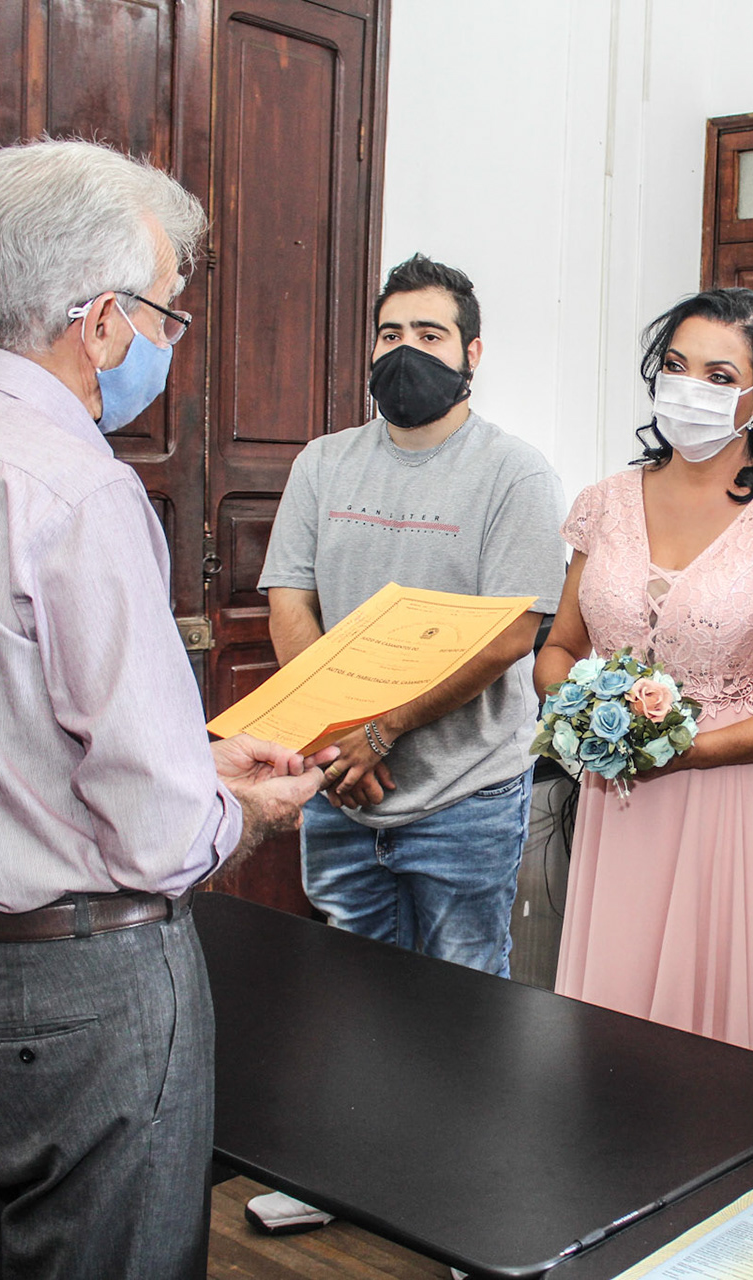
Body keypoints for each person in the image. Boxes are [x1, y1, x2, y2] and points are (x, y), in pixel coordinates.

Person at [0, 139, 333, 1279]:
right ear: (99, 321)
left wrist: (193, 758)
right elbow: (161, 836)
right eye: (165, 313)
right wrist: (240, 806)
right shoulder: (80, 488)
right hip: (84, 986)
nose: (166, 342)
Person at [539, 287, 753, 1066]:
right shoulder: (603, 505)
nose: (691, 388)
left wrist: (689, 751)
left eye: (720, 377)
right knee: (611, 1031)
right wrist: (582, 714)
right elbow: (560, 648)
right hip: (618, 796)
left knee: (712, 1047)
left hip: (732, 798)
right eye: (677, 367)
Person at [259, 252, 566, 976]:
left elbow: (509, 639)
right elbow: (291, 600)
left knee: (462, 999)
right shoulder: (321, 463)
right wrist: (337, 742)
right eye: (390, 334)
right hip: (341, 790)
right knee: (348, 994)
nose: (407, 350)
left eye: (430, 336)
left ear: (471, 354)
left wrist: (382, 732)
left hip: (465, 800)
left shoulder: (515, 473)